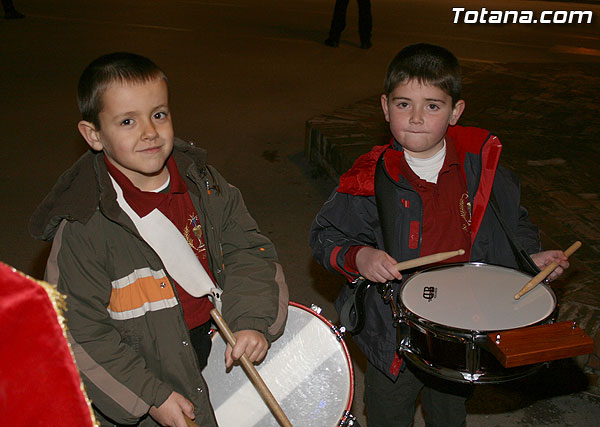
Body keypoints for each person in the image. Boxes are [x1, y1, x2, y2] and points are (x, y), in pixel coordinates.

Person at [309, 43, 571, 426]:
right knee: (388, 411)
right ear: (385, 107)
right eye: (403, 104)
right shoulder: (370, 178)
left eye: (432, 105)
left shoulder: (480, 169)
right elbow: (325, 236)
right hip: (394, 330)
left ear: (455, 112)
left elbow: (514, 224)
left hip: (460, 323)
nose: (416, 118)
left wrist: (529, 257)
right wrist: (359, 257)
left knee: (449, 412)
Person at [29, 52, 289, 427]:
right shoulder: (86, 227)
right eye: (127, 121)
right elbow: (77, 331)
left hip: (212, 340)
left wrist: (249, 320)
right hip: (145, 365)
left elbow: (250, 250)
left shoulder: (206, 185)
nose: (149, 132)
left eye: (159, 114)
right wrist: (150, 395)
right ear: (93, 135)